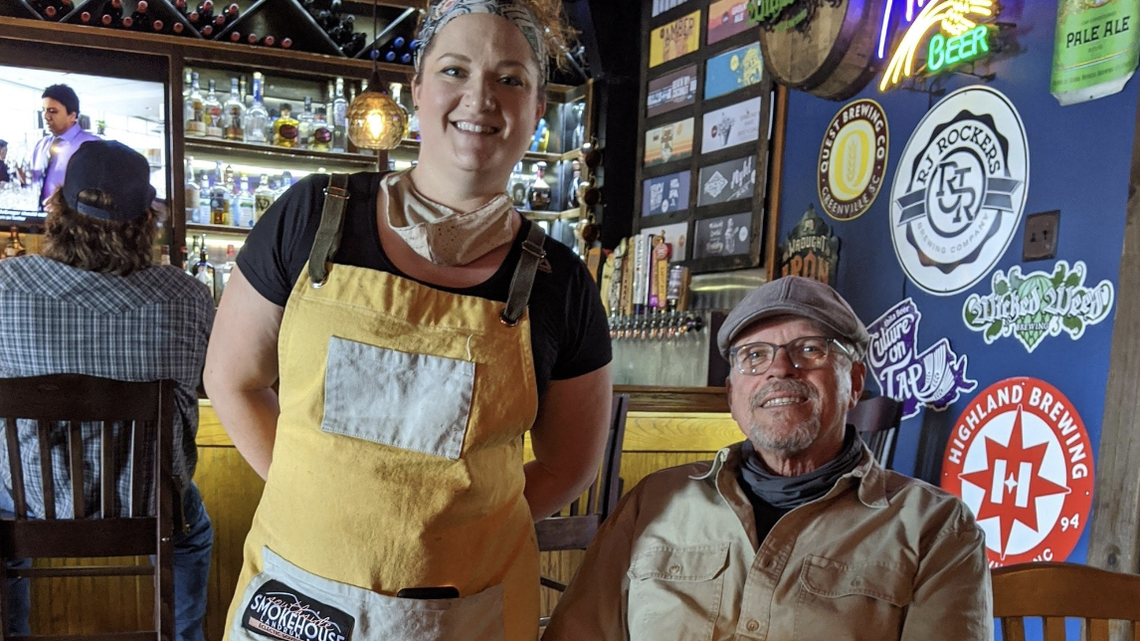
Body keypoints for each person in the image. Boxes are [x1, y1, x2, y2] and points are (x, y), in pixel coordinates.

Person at [203, 1, 612, 640]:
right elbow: (233, 380)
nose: (480, 98)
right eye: (455, 70)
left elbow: (570, 466)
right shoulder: (313, 216)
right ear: (416, 88)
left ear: (537, 108)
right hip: (298, 599)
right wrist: (320, 497)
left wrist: (449, 527)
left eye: (510, 79)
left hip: (462, 612)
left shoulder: (562, 284)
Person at [543, 276, 993, 641]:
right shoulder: (654, 502)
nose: (779, 369)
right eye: (754, 356)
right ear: (732, 395)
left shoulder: (936, 528)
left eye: (810, 349)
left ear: (855, 382)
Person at [0, 141, 215, 641]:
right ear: (146, 219)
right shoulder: (187, 297)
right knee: (191, 531)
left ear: (57, 207)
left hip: (29, 507)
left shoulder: (5, 288)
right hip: (152, 509)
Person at [30, 84, 100, 206]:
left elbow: (99, 191)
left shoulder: (92, 145)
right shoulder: (41, 145)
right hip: (37, 215)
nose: (46, 116)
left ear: (72, 116)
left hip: (72, 216)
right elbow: (34, 183)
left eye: (53, 111)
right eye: (43, 110)